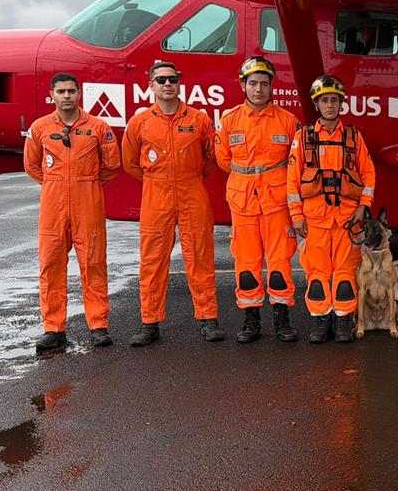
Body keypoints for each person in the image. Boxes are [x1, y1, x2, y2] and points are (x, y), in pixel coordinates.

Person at [123, 61, 222, 346]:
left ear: (179, 84)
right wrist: (158, 179)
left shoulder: (199, 119)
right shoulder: (140, 122)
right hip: (156, 193)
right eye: (161, 80)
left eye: (173, 79)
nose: (168, 84)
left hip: (193, 190)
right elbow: (130, 162)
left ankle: (208, 318)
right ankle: (150, 322)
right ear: (151, 86)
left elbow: (211, 158)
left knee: (201, 256)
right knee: (152, 260)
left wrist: (188, 176)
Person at [24, 72, 121, 350]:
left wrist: (85, 183)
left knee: (93, 264)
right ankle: (53, 328)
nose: (66, 96)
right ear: (52, 95)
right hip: (53, 203)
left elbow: (112, 165)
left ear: (79, 94)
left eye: (71, 91)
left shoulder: (99, 127)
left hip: (87, 200)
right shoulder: (40, 128)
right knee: (51, 265)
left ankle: (98, 325)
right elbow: (32, 165)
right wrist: (57, 184)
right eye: (61, 91)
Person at [215, 56, 301, 343]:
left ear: (271, 86)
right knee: (247, 263)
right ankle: (251, 320)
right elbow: (223, 160)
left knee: (280, 262)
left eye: (264, 84)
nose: (259, 89)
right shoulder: (229, 121)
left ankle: (282, 319)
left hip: (277, 201)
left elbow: (297, 163)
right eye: (253, 83)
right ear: (243, 85)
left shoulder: (288, 122)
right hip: (243, 202)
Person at [287, 75, 376, 343]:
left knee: (345, 271)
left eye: (334, 100)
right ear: (316, 104)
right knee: (317, 272)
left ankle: (342, 321)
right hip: (314, 218)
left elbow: (368, 174)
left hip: (348, 218)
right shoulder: (303, 138)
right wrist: (296, 216)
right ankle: (320, 321)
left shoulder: (353, 137)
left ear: (341, 104)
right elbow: (292, 180)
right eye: (324, 100)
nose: (329, 105)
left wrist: (364, 206)